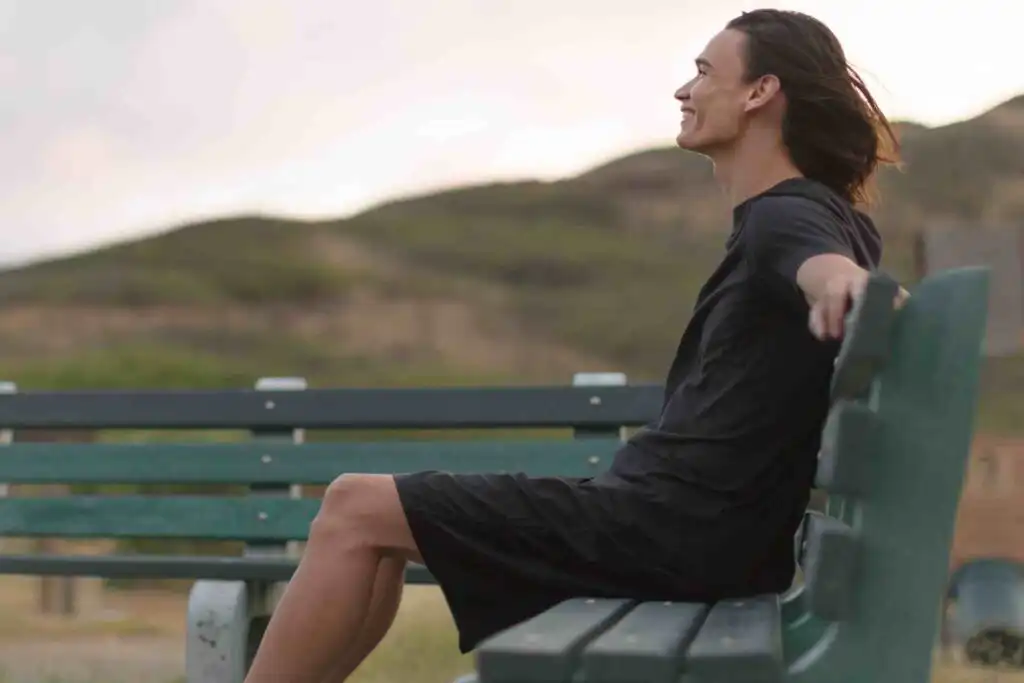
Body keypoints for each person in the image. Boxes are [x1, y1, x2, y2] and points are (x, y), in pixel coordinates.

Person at [243, 9, 902, 682]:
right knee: (372, 525)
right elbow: (821, 260)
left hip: (674, 531)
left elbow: (817, 264)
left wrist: (842, 286)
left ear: (760, 92)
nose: (684, 91)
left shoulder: (784, 213)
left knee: (355, 505)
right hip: (697, 529)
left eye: (705, 72)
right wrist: (846, 282)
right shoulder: (819, 211)